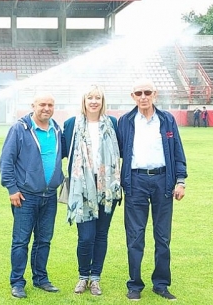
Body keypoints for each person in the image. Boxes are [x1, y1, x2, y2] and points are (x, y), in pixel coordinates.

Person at [116, 79, 187, 301]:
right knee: (135, 236)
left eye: (147, 92)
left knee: (163, 237)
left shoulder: (167, 120)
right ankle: (134, 285)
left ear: (154, 94)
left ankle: (161, 284)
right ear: (133, 96)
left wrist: (181, 180)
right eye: (139, 92)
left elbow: (177, 151)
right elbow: (114, 152)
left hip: (163, 181)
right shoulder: (125, 121)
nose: (143, 96)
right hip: (135, 182)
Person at [0, 92, 65, 299]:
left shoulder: (56, 129)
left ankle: (41, 279)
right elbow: (6, 161)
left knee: (44, 240)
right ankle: (17, 282)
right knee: (21, 240)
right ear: (33, 106)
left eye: (50, 105)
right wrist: (12, 189)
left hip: (49, 195)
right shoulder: (20, 128)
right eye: (42, 104)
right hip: (26, 196)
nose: (46, 108)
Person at [63, 85, 121, 296]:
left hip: (107, 187)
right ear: (84, 101)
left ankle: (95, 278)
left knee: (101, 235)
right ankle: (82, 276)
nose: (94, 101)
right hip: (82, 187)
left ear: (103, 101)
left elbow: (123, 150)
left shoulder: (112, 123)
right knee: (86, 236)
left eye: (98, 98)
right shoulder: (72, 124)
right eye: (90, 98)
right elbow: (60, 151)